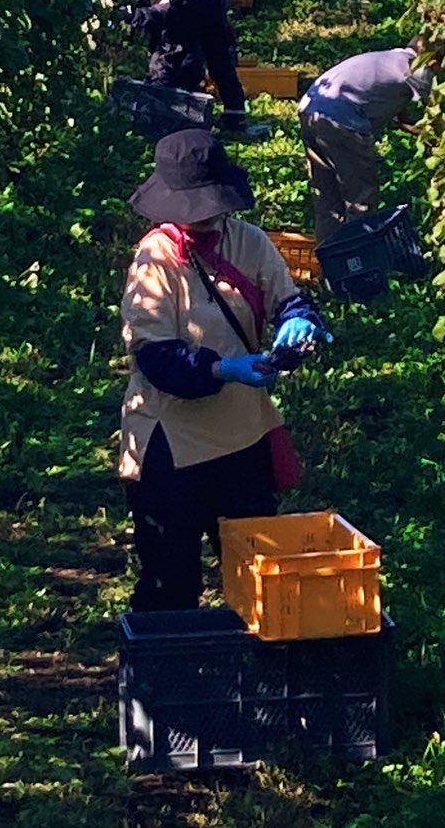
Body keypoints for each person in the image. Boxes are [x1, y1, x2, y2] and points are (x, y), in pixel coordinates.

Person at [119, 130, 329, 612]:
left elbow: (290, 299)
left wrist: (299, 325)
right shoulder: (156, 258)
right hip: (172, 441)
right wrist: (224, 369)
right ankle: (173, 676)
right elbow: (156, 358)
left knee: (256, 578)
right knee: (171, 585)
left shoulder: (248, 242)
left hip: (244, 436)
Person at [298, 43, 437, 243]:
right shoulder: (417, 67)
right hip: (342, 119)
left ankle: (331, 262)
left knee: (327, 200)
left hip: (311, 109)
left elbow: (382, 91)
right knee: (360, 197)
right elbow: (437, 106)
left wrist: (406, 121)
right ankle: (359, 258)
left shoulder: (390, 58)